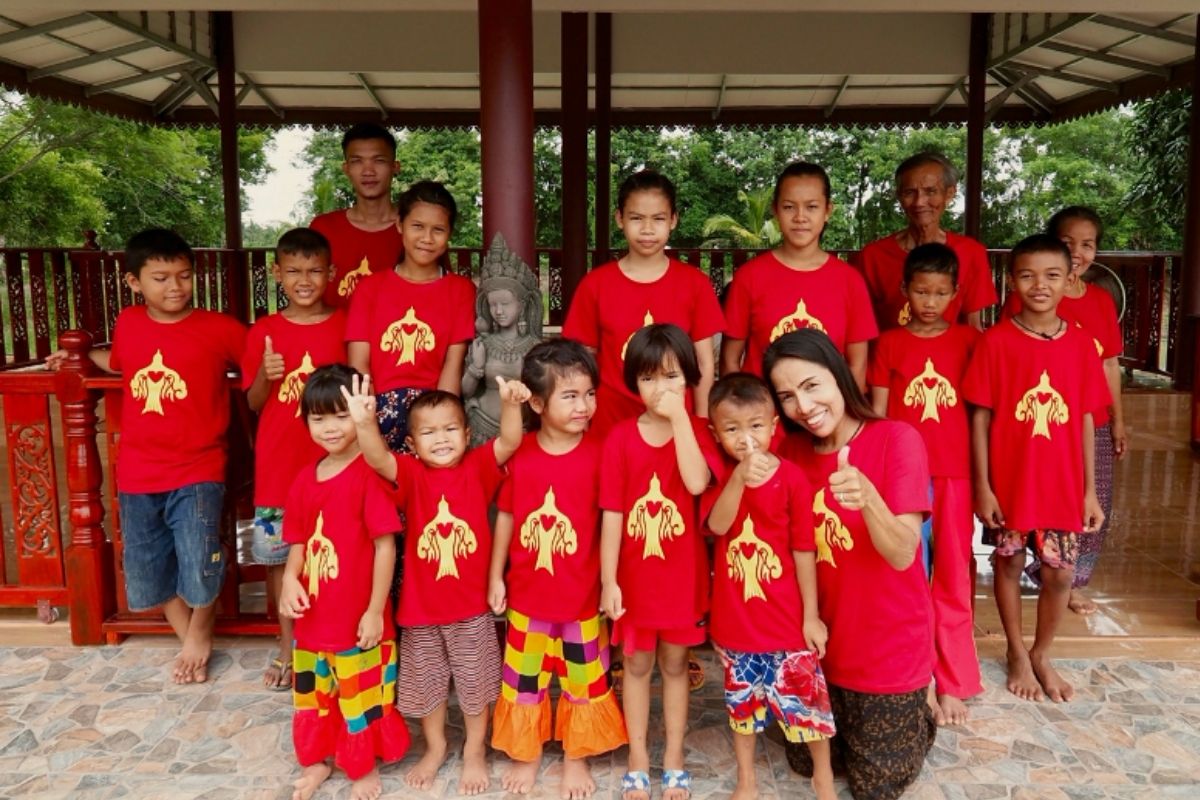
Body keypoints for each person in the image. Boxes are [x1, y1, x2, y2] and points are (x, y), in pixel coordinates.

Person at [47, 228, 246, 684]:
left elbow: (262, 355)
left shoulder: (220, 328)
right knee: (147, 565)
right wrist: (77, 357)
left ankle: (201, 632)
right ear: (134, 282)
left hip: (199, 466)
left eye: (183, 276)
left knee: (200, 558)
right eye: (160, 278)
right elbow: (119, 361)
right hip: (138, 471)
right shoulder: (130, 323)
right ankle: (189, 639)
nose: (174, 286)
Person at [765, 329, 936, 800]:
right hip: (816, 647)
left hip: (886, 647)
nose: (803, 405)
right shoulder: (790, 454)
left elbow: (904, 554)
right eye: (787, 395)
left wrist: (869, 499)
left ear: (838, 375)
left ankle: (920, 696)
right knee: (806, 761)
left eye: (811, 385)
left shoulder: (897, 439)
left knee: (875, 784)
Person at [345, 372, 528, 795]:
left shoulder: (480, 467)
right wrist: (364, 424)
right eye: (428, 432)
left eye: (450, 429)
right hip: (421, 609)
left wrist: (511, 404)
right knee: (425, 685)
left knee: (475, 684)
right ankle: (437, 746)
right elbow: (377, 459)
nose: (441, 439)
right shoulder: (410, 475)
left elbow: (511, 442)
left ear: (466, 433)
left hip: (471, 609)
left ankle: (475, 751)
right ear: (412, 444)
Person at [963, 234, 1109, 704]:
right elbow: (980, 417)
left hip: (1064, 486)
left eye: (1051, 275)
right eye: (1027, 275)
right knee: (1007, 564)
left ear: (1070, 280)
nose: (1039, 285)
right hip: (1010, 482)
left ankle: (1043, 652)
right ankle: (1015, 651)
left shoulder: (1082, 345)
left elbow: (1085, 418)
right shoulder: (996, 342)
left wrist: (1090, 491)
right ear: (1011, 282)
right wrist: (983, 486)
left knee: (1060, 575)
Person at [487, 339, 627, 798]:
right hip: (528, 593)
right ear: (539, 402)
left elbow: (611, 517)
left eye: (589, 394)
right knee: (524, 681)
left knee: (583, 681)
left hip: (582, 595)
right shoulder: (521, 454)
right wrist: (495, 575)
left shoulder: (603, 452)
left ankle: (576, 757)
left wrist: (609, 582)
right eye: (570, 396)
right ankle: (525, 757)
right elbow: (506, 516)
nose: (583, 406)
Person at [600, 324, 723, 800]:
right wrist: (609, 580)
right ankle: (636, 757)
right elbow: (612, 514)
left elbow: (695, 484)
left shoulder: (696, 433)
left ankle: (672, 756)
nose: (661, 389)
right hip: (633, 578)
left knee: (675, 666)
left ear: (690, 380)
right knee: (634, 665)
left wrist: (680, 423)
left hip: (681, 577)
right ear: (634, 384)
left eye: (672, 377)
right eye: (649, 379)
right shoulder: (618, 439)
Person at [277, 365, 409, 800]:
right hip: (313, 620)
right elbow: (297, 540)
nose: (330, 428)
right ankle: (317, 763)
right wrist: (289, 582)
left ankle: (362, 765)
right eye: (319, 418)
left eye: (341, 415)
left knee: (361, 697)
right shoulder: (304, 478)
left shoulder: (369, 475)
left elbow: (385, 547)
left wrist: (375, 611)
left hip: (357, 619)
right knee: (314, 695)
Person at [705, 373, 836, 800]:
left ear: (775, 425)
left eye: (756, 426)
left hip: (786, 621)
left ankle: (823, 777)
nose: (746, 439)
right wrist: (739, 479)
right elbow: (718, 526)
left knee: (808, 708)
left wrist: (811, 616)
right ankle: (747, 779)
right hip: (737, 621)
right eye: (732, 429)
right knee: (742, 710)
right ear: (715, 433)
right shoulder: (721, 478)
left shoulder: (794, 479)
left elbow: (803, 550)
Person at [867, 243, 982, 726]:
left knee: (953, 573)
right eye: (921, 291)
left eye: (941, 293)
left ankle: (953, 678)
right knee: (907, 572)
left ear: (956, 293)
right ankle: (914, 673)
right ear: (905, 291)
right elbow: (877, 412)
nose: (931, 301)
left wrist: (986, 479)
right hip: (902, 474)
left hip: (954, 471)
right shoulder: (889, 343)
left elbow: (980, 415)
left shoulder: (969, 342)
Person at [999, 207, 1127, 615]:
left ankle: (1070, 579)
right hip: (1034, 426)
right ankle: (1039, 565)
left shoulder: (1102, 302)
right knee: (1029, 502)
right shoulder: (1026, 302)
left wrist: (1118, 421)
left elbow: (1109, 364)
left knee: (1089, 502)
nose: (1077, 253)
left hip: (1090, 419)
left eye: (1087, 245)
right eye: (1068, 243)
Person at [242, 228, 347, 691]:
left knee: (340, 550)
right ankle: (287, 647)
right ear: (276, 273)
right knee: (279, 560)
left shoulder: (346, 325)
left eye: (314, 270)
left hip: (335, 463)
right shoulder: (263, 330)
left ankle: (338, 640)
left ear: (332, 274)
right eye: (294, 271)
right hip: (278, 467)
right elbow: (254, 403)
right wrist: (267, 377)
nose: (304, 280)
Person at [563, 170, 724, 439]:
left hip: (676, 426)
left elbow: (705, 364)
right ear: (619, 219)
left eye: (658, 219)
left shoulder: (695, 284)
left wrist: (701, 422)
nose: (647, 229)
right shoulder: (595, 285)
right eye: (636, 218)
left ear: (673, 220)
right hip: (611, 424)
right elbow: (581, 364)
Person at [722, 162, 877, 389]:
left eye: (812, 207)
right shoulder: (750, 277)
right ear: (775, 210)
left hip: (826, 417)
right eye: (789, 207)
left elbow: (858, 366)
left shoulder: (850, 281)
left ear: (827, 211)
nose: (800, 217)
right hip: (763, 418)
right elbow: (729, 361)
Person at [346, 180, 475, 452]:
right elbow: (360, 366)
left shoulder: (460, 290)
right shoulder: (370, 288)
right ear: (399, 225)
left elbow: (453, 365)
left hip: (433, 413)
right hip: (376, 409)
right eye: (417, 226)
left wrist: (440, 426)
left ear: (449, 234)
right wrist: (368, 426)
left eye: (438, 230)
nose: (427, 238)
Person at [857, 152, 997, 332]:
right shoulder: (873, 256)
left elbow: (973, 326)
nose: (919, 202)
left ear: (949, 194)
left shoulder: (971, 252)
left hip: (950, 357)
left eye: (931, 191)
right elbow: (861, 327)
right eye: (910, 193)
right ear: (899, 196)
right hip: (891, 357)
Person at [309, 122, 404, 306]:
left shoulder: (416, 228)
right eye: (357, 161)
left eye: (379, 160)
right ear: (346, 169)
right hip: (335, 334)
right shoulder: (324, 228)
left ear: (395, 166)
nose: (368, 171)